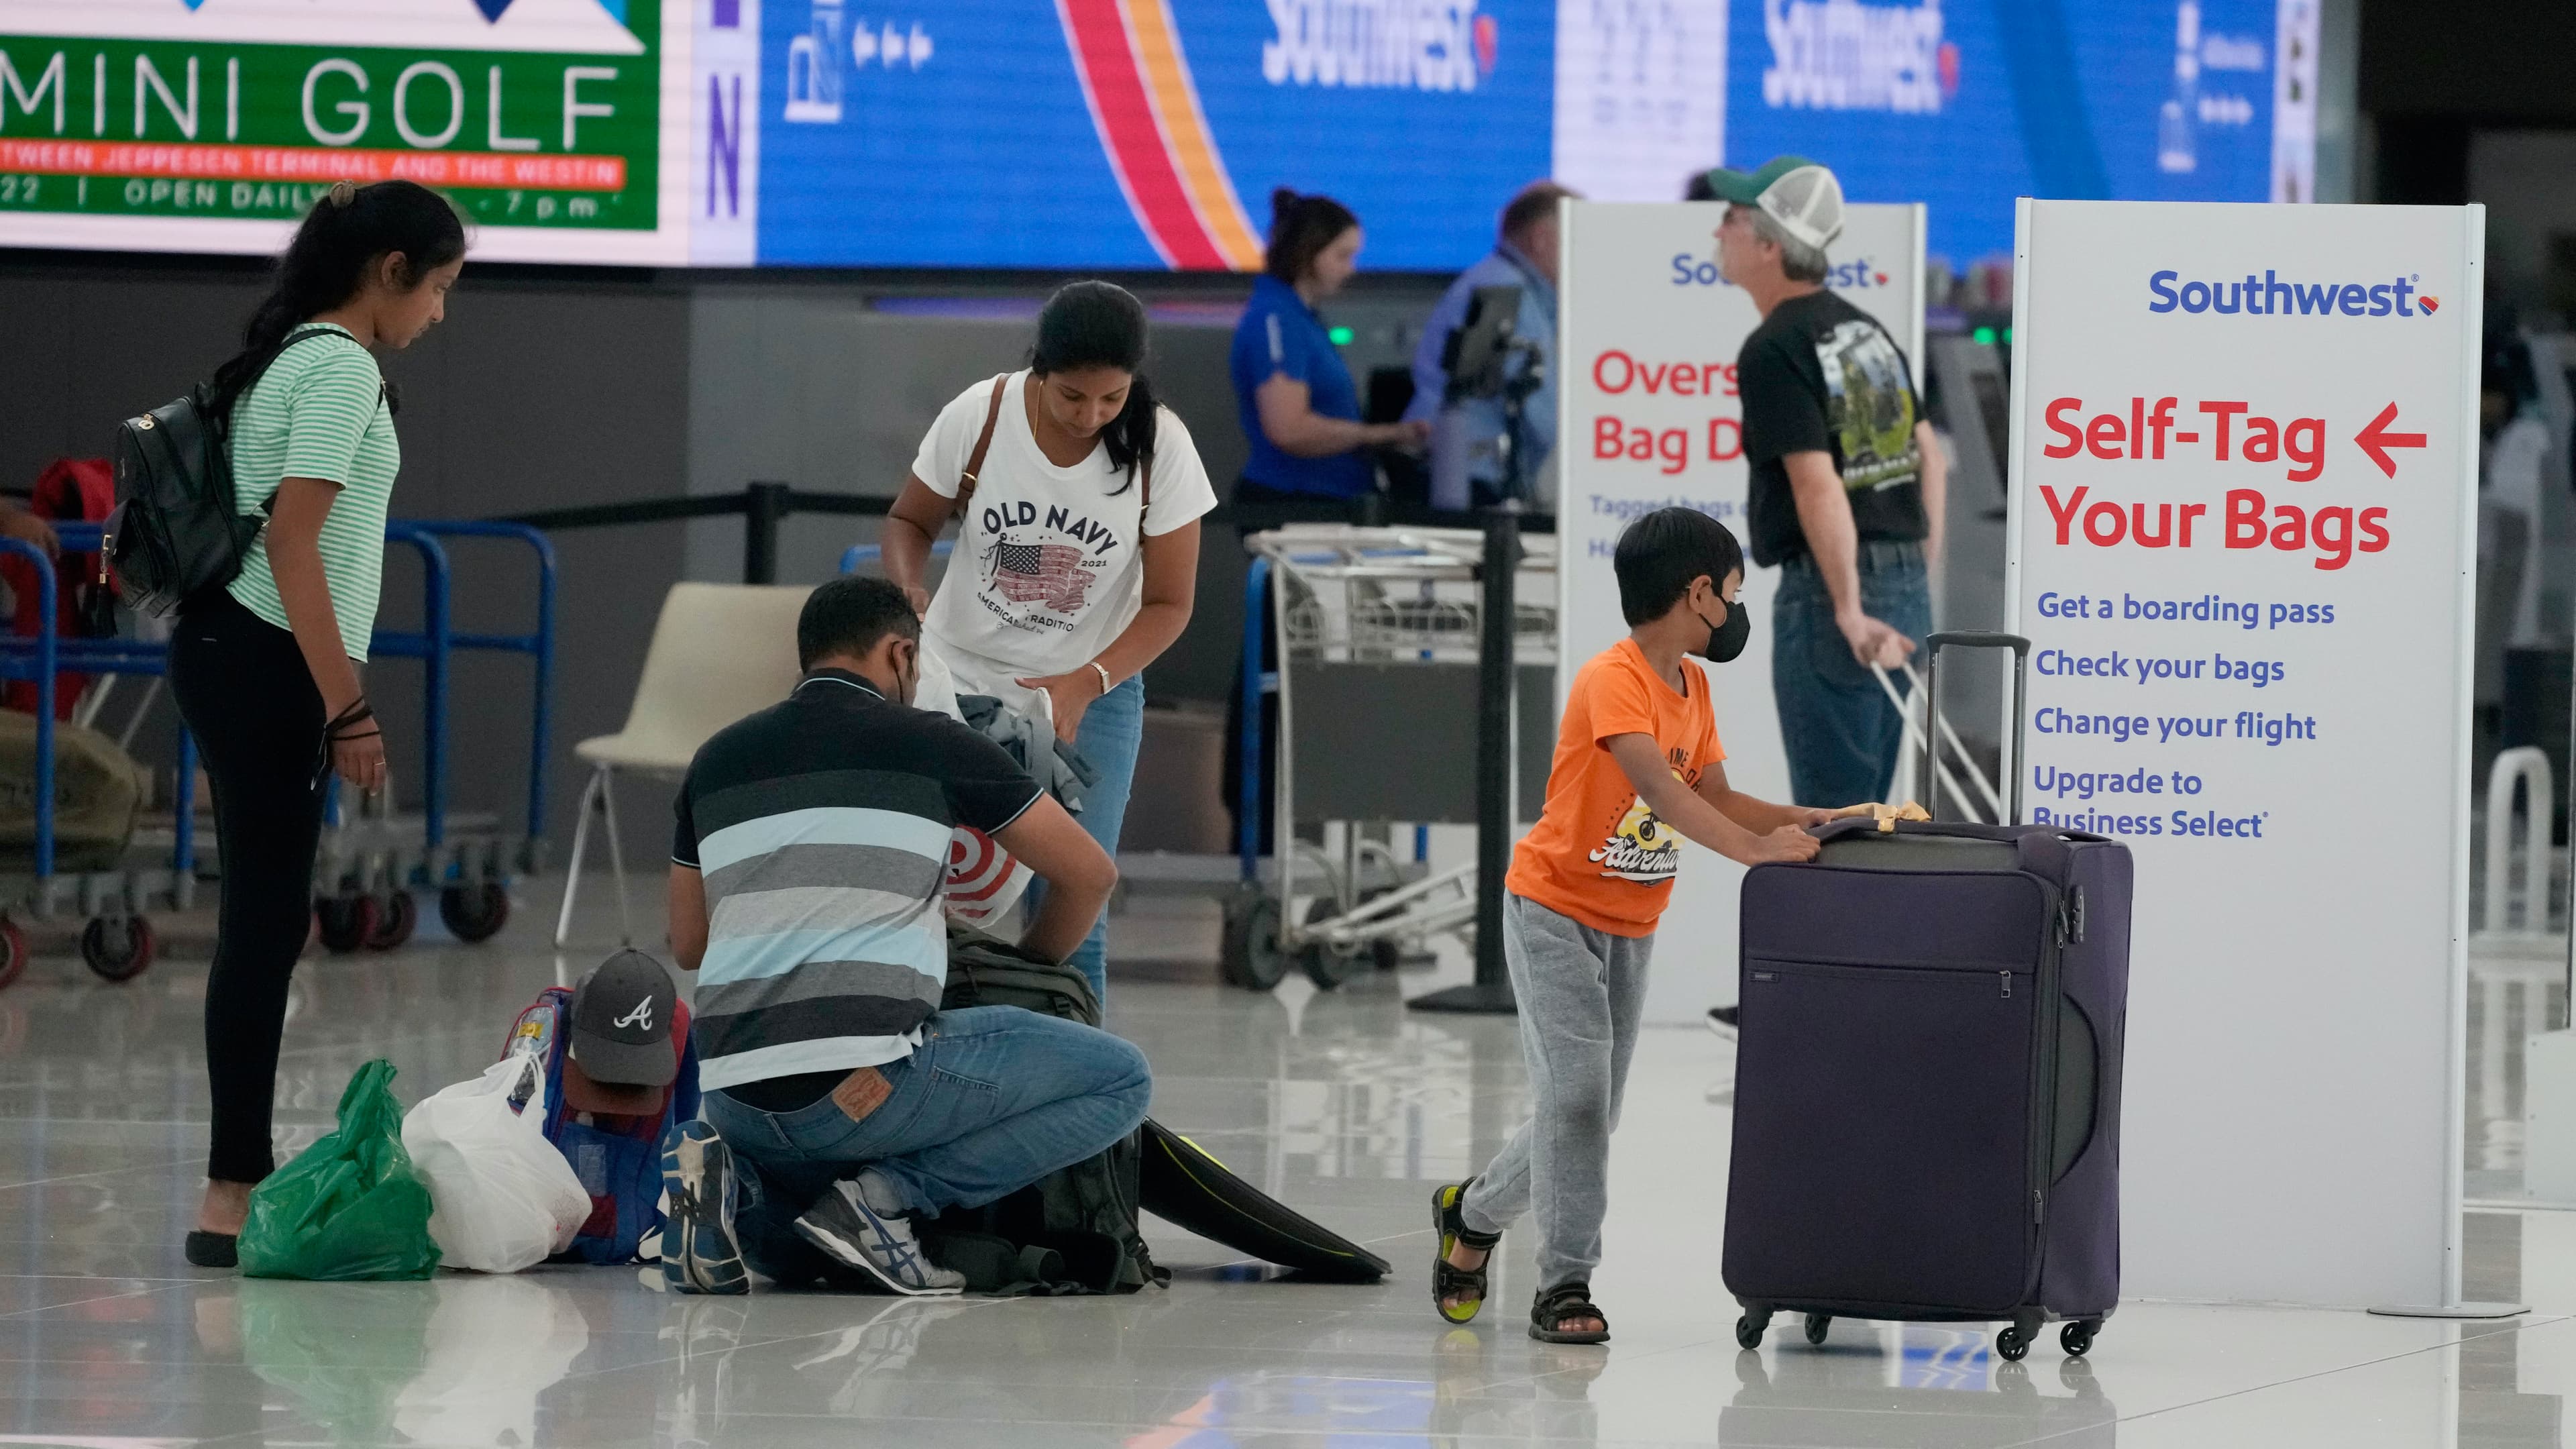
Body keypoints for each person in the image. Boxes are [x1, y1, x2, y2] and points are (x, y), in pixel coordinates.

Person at [657, 577, 1152, 1297]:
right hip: (865, 1092)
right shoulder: (932, 743)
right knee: (1122, 1079)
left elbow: (691, 945)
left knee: (800, 1258)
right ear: (900, 655)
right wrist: (1038, 970)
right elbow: (1089, 875)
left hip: (735, 1099)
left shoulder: (716, 758)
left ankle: (729, 1187)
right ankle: (889, 1200)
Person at [1427, 508, 1828, 1344]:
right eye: (1734, 593)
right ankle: (1565, 1284)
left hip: (1632, 924)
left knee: (1589, 1115)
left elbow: (1717, 796)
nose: (1736, 609)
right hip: (1553, 912)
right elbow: (1664, 795)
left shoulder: (1696, 687)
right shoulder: (1615, 680)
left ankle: (1471, 1213)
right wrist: (1757, 854)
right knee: (1575, 1101)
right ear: (1700, 593)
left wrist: (1825, 820)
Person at [172, 180, 465, 1269]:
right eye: (437, 288)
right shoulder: (340, 366)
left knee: (265, 919)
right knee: (262, 925)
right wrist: (347, 705)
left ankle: (229, 1182)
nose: (439, 313)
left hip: (231, 649)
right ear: (389, 272)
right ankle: (228, 1192)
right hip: (268, 656)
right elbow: (296, 547)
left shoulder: (288, 354)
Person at [881, 282, 1216, 1004]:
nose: (1091, 416)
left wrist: (1085, 683)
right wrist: (910, 591)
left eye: (1111, 399)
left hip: (1092, 689)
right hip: (958, 676)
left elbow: (1169, 603)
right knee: (923, 882)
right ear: (1040, 370)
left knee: (1075, 898)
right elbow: (910, 522)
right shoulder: (982, 414)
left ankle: (1070, 1072)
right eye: (1071, 397)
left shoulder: (1164, 446)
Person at [1712, 156, 1945, 807]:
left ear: (1767, 244)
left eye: (1728, 219)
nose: (1715, 234)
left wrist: (1847, 604)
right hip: (1901, 591)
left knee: (1832, 827)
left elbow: (1817, 484)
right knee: (1869, 822)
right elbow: (1930, 457)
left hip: (1832, 598)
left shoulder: (1774, 348)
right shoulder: (1862, 328)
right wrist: (1907, 572)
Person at [1229, 189, 1430, 518]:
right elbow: (1288, 429)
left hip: (1330, 497)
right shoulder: (1277, 321)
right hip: (1298, 501)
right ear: (1307, 253)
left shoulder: (1300, 318)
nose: (1350, 269)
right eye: (1342, 256)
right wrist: (1384, 435)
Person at [1404, 180, 1576, 508]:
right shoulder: (1509, 292)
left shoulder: (1499, 281)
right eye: (1575, 239)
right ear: (1541, 239)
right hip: (1468, 474)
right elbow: (1540, 407)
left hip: (1456, 464)